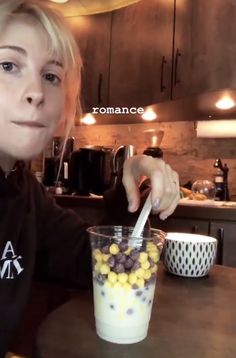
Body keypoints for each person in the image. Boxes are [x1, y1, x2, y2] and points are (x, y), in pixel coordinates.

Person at [0, 0, 179, 356]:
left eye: (51, 75)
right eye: (8, 65)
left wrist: (132, 191)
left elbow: (96, 261)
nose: (36, 92)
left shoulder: (24, 192)